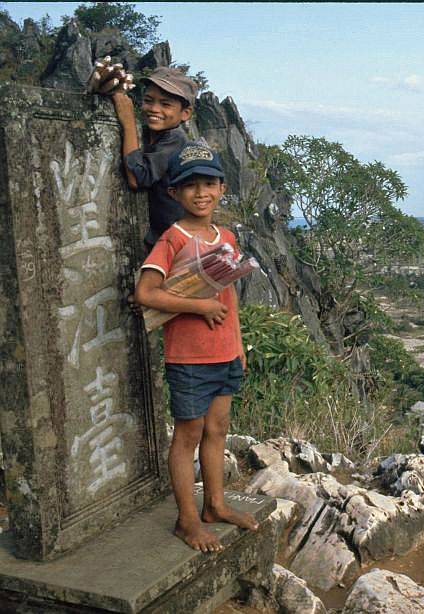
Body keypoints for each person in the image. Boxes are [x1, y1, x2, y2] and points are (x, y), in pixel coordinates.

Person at [134, 142, 257, 552]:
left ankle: (215, 505)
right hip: (188, 358)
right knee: (188, 435)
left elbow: (228, 296)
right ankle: (187, 520)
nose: (201, 193)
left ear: (222, 188)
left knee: (218, 430)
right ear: (175, 193)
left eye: (209, 183)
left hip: (225, 354)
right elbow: (146, 293)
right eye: (190, 186)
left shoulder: (225, 236)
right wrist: (197, 305)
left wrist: (237, 345)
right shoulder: (174, 238)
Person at [108, 66, 199, 251]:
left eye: (166, 104)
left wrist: (128, 122)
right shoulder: (155, 132)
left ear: (185, 113)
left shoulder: (175, 138)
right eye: (148, 101)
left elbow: (137, 179)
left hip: (172, 241)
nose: (154, 109)